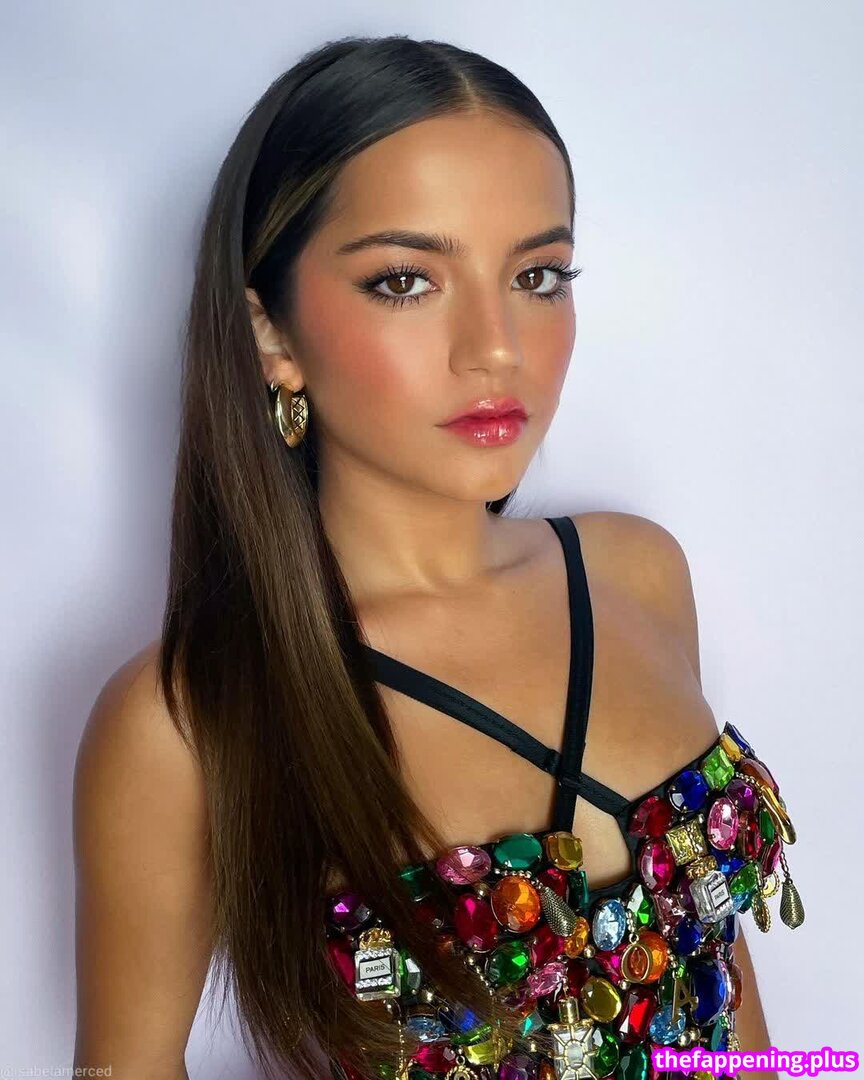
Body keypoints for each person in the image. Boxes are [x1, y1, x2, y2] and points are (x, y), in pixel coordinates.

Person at [73, 34, 803, 1080]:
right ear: (271, 334)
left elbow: (725, 985)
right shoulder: (189, 719)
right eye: (406, 280)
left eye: (538, 275)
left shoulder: (635, 574)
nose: (496, 346)